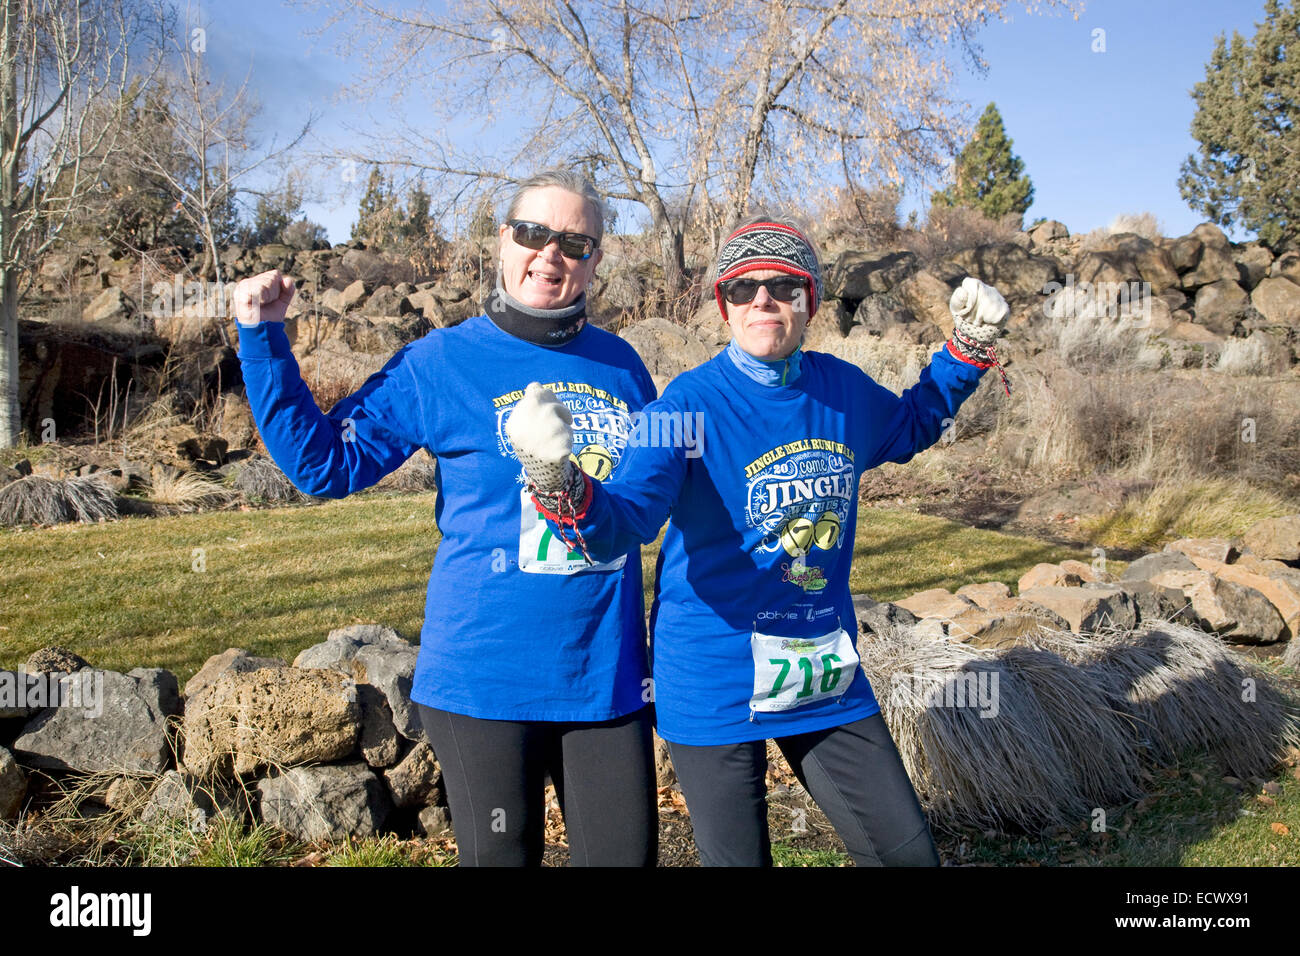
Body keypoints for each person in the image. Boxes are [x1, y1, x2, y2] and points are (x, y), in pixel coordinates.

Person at [507, 215, 1010, 866]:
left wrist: (966, 349)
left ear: (812, 302)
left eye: (783, 286)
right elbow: (625, 522)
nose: (762, 301)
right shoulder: (685, 408)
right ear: (724, 307)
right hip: (713, 676)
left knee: (908, 856)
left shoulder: (843, 392)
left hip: (821, 668)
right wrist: (556, 478)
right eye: (742, 290)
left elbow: (911, 426)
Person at [232, 169, 658, 867]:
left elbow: (644, 506)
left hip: (602, 673)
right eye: (533, 233)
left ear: (596, 260)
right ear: (502, 241)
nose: (551, 254)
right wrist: (265, 340)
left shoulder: (622, 366)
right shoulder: (440, 362)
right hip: (483, 673)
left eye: (575, 242)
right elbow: (324, 466)